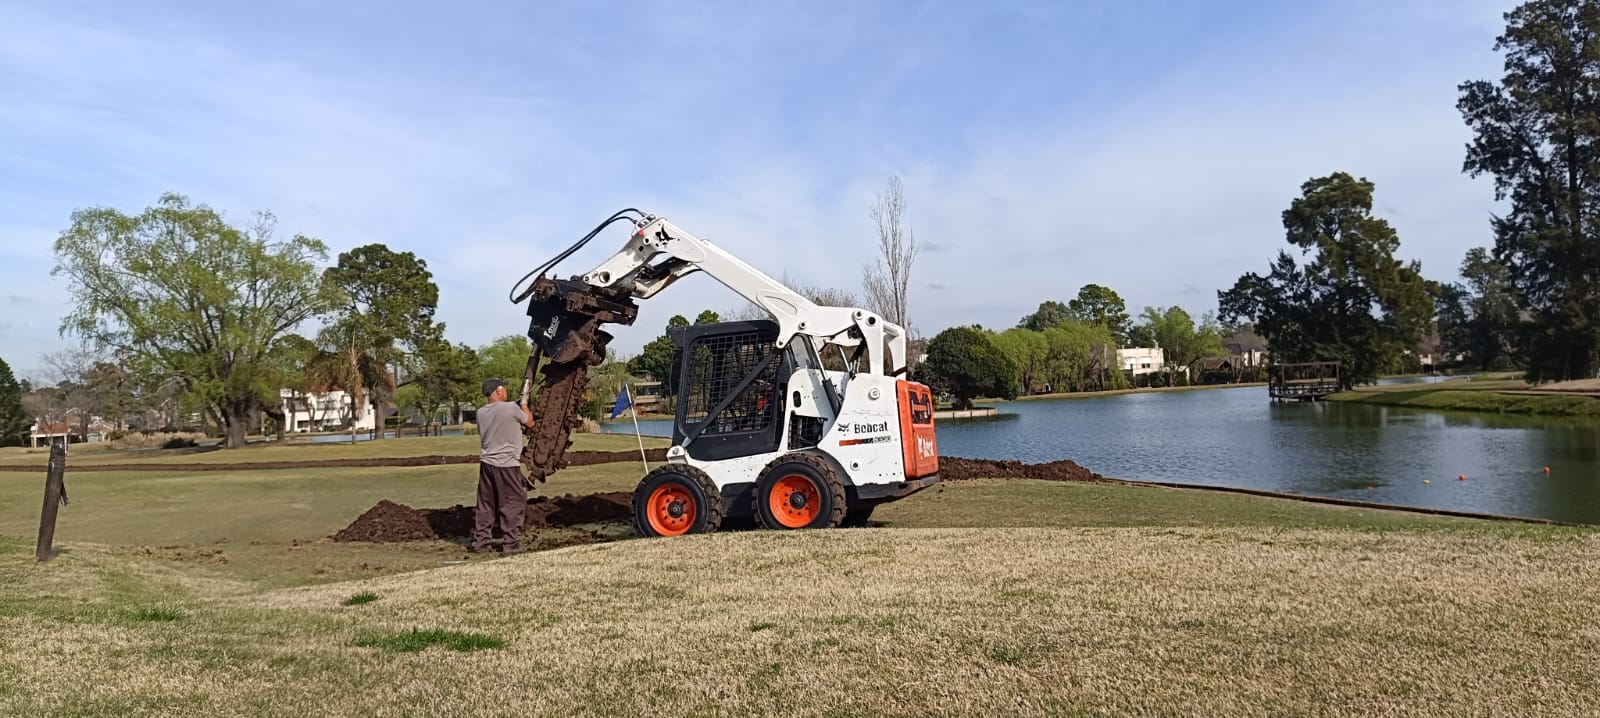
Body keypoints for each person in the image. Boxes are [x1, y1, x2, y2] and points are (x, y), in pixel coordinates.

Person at [471, 378, 534, 554]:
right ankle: (511, 544)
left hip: (487, 465)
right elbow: (529, 422)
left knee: (486, 504)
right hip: (507, 464)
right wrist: (524, 404)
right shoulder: (511, 408)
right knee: (514, 501)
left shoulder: (481, 413)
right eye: (504, 388)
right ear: (498, 391)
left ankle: (481, 543)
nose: (506, 390)